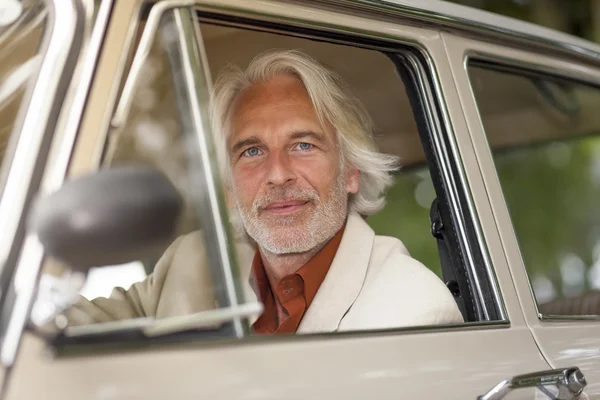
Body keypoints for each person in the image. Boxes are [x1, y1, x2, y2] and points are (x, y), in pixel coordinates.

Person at [65, 50, 463, 333]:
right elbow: (54, 332)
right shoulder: (193, 265)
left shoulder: (415, 311)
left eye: (303, 145)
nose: (277, 174)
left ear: (350, 172)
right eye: (252, 151)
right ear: (228, 189)